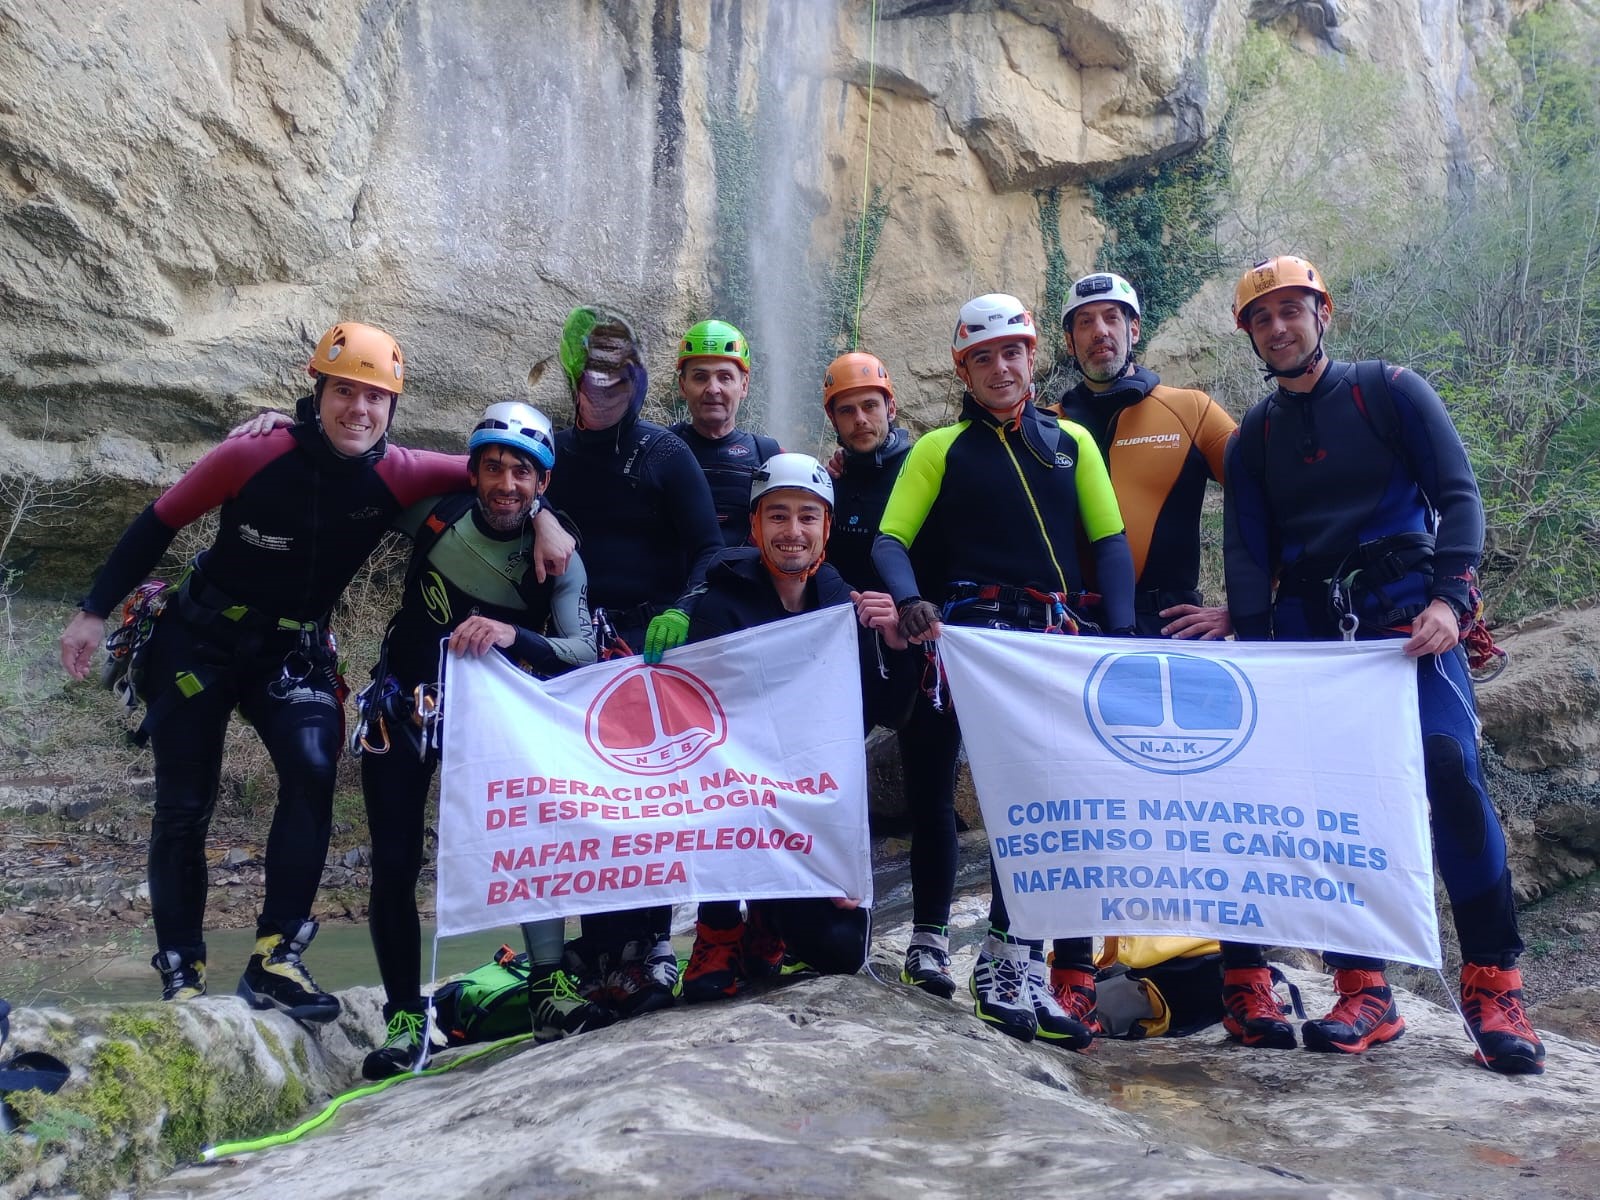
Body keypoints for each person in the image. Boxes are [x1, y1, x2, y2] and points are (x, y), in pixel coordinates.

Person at [58, 323, 465, 1019]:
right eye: (344, 392)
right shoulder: (254, 451)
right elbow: (159, 522)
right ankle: (183, 974)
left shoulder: (403, 472)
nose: (359, 409)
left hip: (291, 653)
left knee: (312, 769)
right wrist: (92, 611)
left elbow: (502, 468)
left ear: (393, 408)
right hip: (197, 641)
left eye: (374, 397)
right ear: (319, 394)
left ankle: (276, 959)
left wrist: (548, 518)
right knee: (184, 804)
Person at [1222, 254, 1545, 1074]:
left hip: (1408, 625)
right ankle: (1364, 989)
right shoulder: (1255, 436)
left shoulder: (1389, 390)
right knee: (1335, 807)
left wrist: (1451, 600)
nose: (1279, 327)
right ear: (1250, 335)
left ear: (1322, 314)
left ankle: (1495, 986)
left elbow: (1459, 495)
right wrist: (1258, 656)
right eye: (1262, 318)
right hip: (1312, 640)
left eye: (1292, 310)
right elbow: (1248, 553)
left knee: (1450, 772)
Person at [871, 293, 1136, 1049]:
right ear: (963, 370)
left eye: (1011, 352)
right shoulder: (939, 448)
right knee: (953, 790)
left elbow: (1110, 541)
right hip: (968, 639)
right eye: (982, 358)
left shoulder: (1072, 442)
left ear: (1032, 356)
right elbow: (891, 541)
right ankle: (949, 945)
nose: (1000, 369)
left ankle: (1011, 961)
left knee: (1040, 805)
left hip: (1048, 639)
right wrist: (909, 600)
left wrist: (1119, 639)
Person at [358, 402, 609, 1079]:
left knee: (535, 841)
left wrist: (511, 634)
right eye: (493, 468)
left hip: (499, 718)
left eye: (522, 473)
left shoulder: (558, 560)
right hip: (406, 706)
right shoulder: (433, 514)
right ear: (472, 473)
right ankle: (405, 1018)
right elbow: (361, 469)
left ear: (542, 483)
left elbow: (584, 651)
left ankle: (549, 990)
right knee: (395, 859)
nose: (506, 484)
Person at [676, 453, 914, 1001]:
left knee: (842, 949)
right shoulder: (720, 604)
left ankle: (767, 919)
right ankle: (718, 928)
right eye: (777, 516)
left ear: (827, 528)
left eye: (807, 516)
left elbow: (888, 715)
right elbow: (698, 728)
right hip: (734, 791)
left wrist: (897, 648)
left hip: (804, 804)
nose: (792, 531)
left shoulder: (842, 607)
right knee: (716, 784)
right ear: (755, 525)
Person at [546, 304, 723, 1016]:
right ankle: (600, 948)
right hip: (575, 650)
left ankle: (649, 944)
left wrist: (684, 608)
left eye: (617, 379)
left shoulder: (665, 454)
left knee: (644, 804)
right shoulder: (553, 454)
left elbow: (710, 549)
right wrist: (542, 515)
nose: (604, 391)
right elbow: (485, 486)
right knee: (589, 806)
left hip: (652, 649)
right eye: (593, 378)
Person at [815, 352, 961, 1001]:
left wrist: (916, 609)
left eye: (869, 406)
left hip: (922, 649)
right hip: (849, 656)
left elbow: (956, 555)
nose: (860, 419)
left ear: (890, 406)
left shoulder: (924, 467)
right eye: (846, 410)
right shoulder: (831, 483)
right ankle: (837, 926)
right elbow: (810, 558)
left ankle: (930, 940)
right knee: (831, 792)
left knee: (932, 796)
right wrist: (848, 599)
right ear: (834, 420)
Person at [1048, 271, 1235, 640]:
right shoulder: (1048, 425)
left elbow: (1272, 497)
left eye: (1111, 317)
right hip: (1071, 629)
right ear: (1069, 341)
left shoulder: (1192, 411)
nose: (1100, 331)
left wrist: (1243, 608)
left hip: (1171, 626)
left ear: (1133, 329)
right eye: (1085, 322)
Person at [669, 319, 781, 547]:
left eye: (725, 377)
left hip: (745, 570)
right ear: (682, 386)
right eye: (700, 377)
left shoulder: (769, 456)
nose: (713, 389)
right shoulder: (658, 450)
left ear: (744, 385)